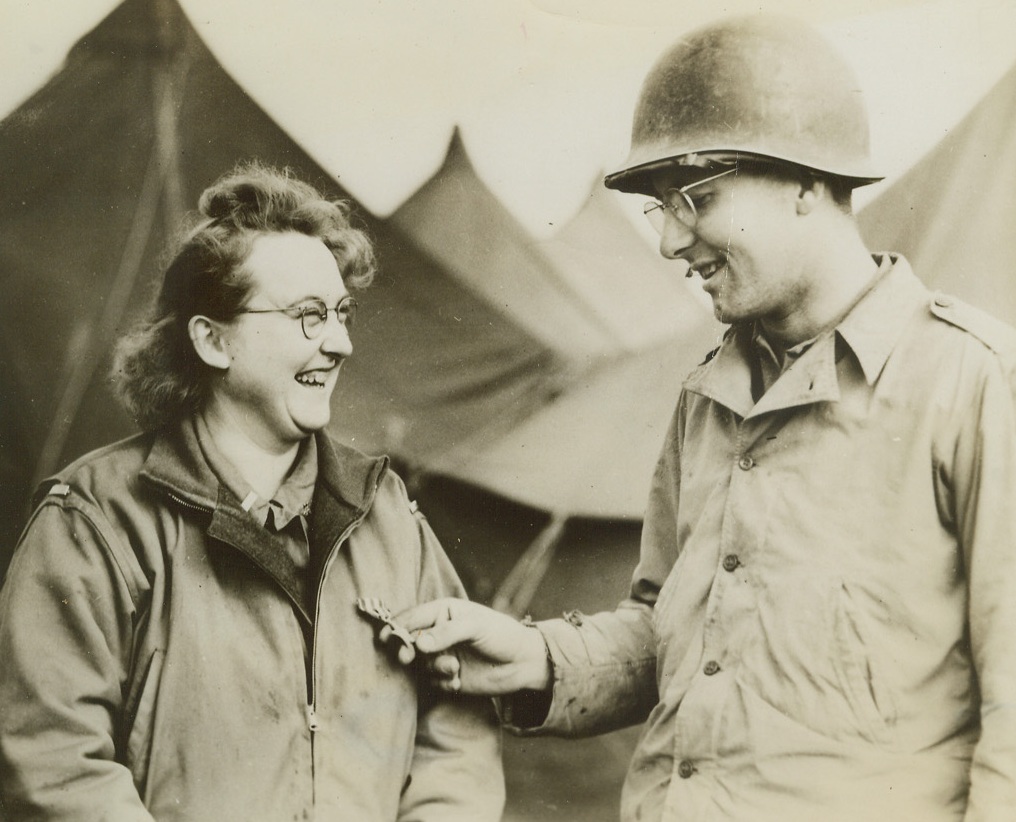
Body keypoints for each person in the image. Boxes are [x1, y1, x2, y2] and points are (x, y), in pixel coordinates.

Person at [388, 14, 1016, 822]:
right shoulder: (706, 397)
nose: (671, 241)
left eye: (697, 197)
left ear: (806, 184)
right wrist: (538, 658)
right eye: (660, 208)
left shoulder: (970, 381)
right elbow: (671, 634)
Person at [0, 163, 504, 821]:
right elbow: (54, 762)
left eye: (343, 314)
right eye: (309, 316)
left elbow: (456, 730)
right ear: (211, 340)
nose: (341, 342)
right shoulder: (96, 520)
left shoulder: (385, 513)